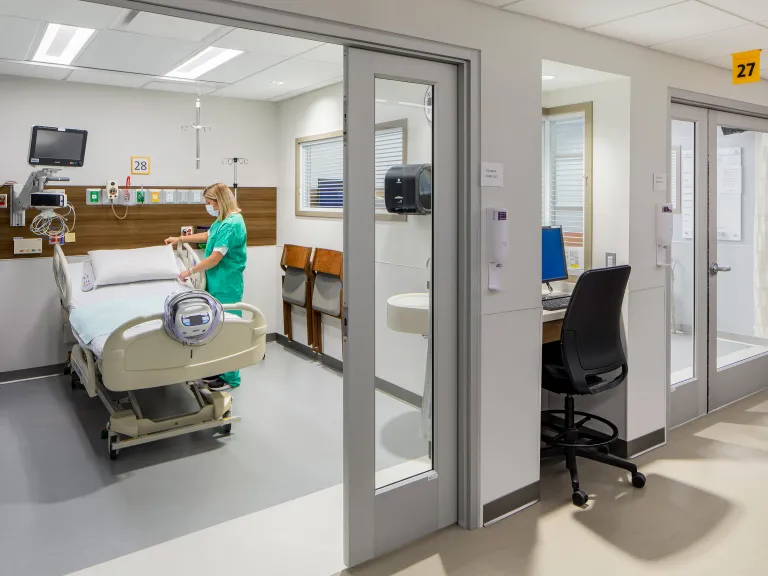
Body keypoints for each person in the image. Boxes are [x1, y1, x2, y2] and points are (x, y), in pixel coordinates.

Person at [165, 182, 247, 390]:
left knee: (228, 330)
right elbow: (207, 236)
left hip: (227, 283)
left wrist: (189, 271)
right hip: (215, 282)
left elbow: (214, 259)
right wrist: (180, 238)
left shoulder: (233, 223)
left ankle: (231, 378)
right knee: (216, 329)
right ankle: (219, 371)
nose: (208, 206)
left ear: (219, 201)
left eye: (209, 202)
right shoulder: (222, 221)